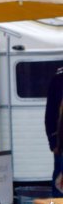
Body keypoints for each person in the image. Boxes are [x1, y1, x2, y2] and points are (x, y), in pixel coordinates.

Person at [45, 67, 63, 195]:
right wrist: (53, 141)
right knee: (59, 185)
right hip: (61, 145)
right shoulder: (58, 79)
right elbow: (50, 114)